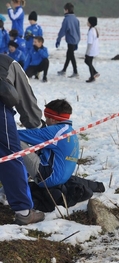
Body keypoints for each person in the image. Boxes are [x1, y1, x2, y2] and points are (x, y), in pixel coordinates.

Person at [0, 53, 44, 225]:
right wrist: (35, 124)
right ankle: (24, 211)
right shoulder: (7, 62)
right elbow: (25, 98)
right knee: (11, 156)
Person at [18, 99, 79, 188]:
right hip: (61, 178)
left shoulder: (55, 132)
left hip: (48, 179)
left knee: (15, 141)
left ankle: (9, 186)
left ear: (52, 119)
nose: (45, 122)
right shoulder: (69, 130)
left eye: (46, 118)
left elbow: (17, 135)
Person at [56, 2, 80, 78]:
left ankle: (75, 72)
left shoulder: (67, 19)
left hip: (71, 40)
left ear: (66, 10)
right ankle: (64, 70)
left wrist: (58, 39)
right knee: (69, 55)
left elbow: (63, 30)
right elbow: (78, 31)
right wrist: (77, 41)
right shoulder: (76, 19)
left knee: (71, 55)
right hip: (75, 39)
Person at [84, 16, 100, 83]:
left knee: (88, 62)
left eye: (88, 21)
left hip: (91, 50)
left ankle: (92, 76)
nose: (87, 22)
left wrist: (87, 52)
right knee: (87, 61)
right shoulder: (95, 29)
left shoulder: (91, 31)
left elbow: (90, 43)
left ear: (90, 23)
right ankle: (95, 72)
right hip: (94, 49)